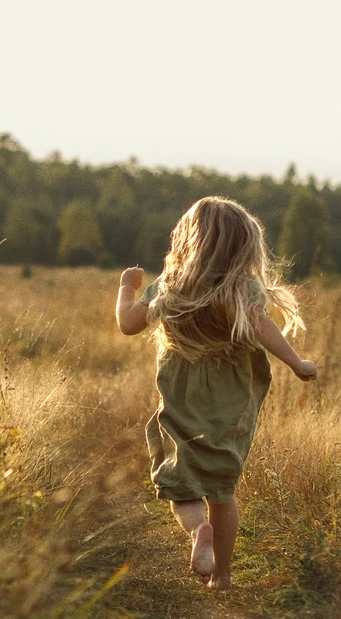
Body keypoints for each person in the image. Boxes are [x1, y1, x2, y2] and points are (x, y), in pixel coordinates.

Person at [115, 196, 318, 590]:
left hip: (181, 400)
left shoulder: (169, 286)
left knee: (180, 482)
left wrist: (126, 287)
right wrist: (296, 362)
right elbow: (263, 328)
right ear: (244, 245)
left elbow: (127, 324)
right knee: (222, 491)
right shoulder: (243, 289)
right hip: (231, 405)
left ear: (187, 240)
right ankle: (222, 576)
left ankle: (197, 533)